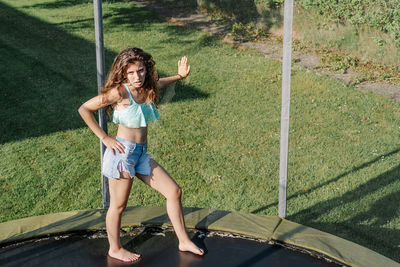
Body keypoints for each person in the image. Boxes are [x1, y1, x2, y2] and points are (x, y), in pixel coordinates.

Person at [78, 47, 204, 262]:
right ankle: (115, 249)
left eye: (141, 71)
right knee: (118, 206)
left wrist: (180, 76)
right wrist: (105, 138)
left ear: (146, 69)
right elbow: (84, 109)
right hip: (122, 155)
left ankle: (183, 240)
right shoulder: (119, 92)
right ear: (124, 74)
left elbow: (160, 82)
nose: (137, 76)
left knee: (174, 191)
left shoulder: (147, 87)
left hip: (141, 154)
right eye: (132, 73)